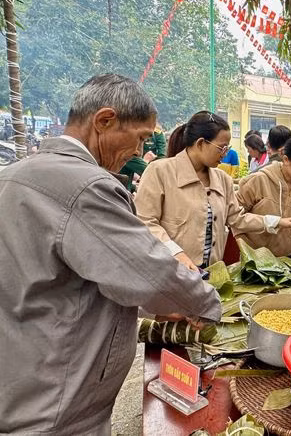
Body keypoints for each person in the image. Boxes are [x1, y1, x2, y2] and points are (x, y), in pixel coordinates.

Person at [0, 74, 221, 435]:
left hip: (20, 376)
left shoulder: (14, 176)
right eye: (140, 138)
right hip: (58, 400)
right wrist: (206, 304)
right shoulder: (87, 185)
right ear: (104, 121)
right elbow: (150, 274)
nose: (138, 151)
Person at [135, 111, 272, 271]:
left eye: (227, 148)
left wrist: (275, 222)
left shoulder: (222, 179)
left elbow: (237, 218)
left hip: (210, 274)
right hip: (170, 272)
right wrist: (176, 253)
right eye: (221, 148)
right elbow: (145, 222)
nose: (225, 154)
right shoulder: (160, 171)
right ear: (200, 143)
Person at [119, 126, 167, 191]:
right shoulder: (128, 154)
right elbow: (157, 176)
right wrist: (146, 160)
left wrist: (135, 188)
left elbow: (161, 154)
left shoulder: (156, 133)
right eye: (141, 140)